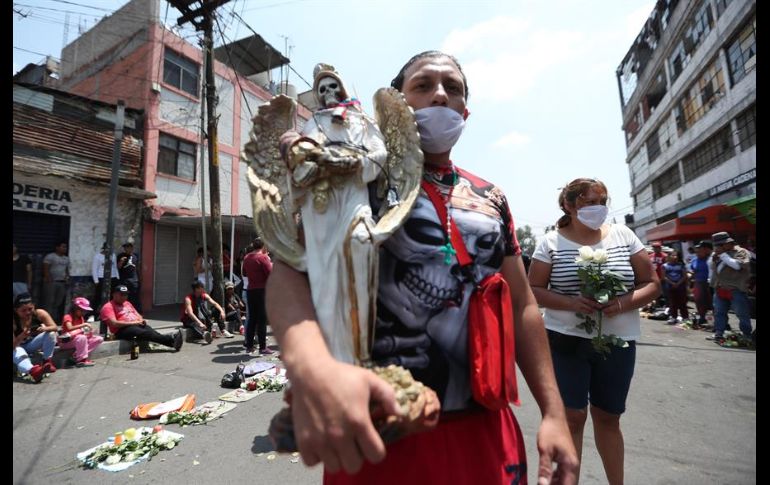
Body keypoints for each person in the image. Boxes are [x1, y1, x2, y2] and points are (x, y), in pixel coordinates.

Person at [266, 51, 578, 484]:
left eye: (453, 88)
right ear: (397, 103)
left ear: (465, 111)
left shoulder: (493, 198)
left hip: (487, 429)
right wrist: (312, 366)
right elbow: (289, 275)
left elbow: (524, 304)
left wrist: (554, 413)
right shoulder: (357, 180)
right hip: (381, 433)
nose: (440, 95)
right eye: (423, 85)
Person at [528, 177, 661, 484]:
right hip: (565, 341)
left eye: (602, 202)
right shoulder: (550, 242)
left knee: (609, 417)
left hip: (617, 343)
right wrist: (571, 302)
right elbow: (533, 289)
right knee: (572, 418)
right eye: (589, 202)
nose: (597, 209)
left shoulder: (624, 236)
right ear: (569, 206)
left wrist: (624, 302)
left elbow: (652, 284)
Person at [99, 285, 183, 351]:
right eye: (121, 295)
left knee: (151, 331)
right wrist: (134, 323)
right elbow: (114, 323)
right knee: (145, 333)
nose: (124, 297)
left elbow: (137, 314)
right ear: (114, 294)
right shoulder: (108, 307)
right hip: (122, 330)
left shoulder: (127, 303)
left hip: (136, 325)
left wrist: (140, 320)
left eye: (126, 295)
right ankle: (172, 340)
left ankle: (172, 342)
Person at [706, 232, 753, 344]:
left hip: (736, 289)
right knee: (719, 313)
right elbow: (712, 268)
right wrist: (714, 258)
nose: (717, 248)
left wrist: (723, 255)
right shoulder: (718, 254)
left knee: (742, 314)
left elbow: (737, 266)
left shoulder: (741, 252)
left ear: (726, 243)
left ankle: (747, 335)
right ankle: (719, 334)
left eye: (719, 245)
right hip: (720, 287)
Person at [13, 293, 58, 383]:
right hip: (17, 347)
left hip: (31, 344)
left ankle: (47, 361)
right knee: (18, 352)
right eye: (23, 310)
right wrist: (22, 336)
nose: (28, 312)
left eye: (30, 309)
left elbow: (55, 327)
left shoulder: (39, 313)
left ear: (34, 306)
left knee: (51, 334)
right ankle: (34, 371)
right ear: (16, 310)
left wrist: (45, 329)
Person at [242, 239, 273, 355]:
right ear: (263, 246)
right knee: (262, 320)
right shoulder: (263, 258)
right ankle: (263, 347)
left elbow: (244, 273)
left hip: (250, 290)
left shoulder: (247, 258)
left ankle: (249, 346)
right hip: (262, 290)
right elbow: (270, 274)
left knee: (252, 320)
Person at [58, 297, 103, 367]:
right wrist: (84, 324)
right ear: (75, 308)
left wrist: (90, 333)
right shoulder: (68, 316)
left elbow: (81, 331)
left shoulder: (81, 318)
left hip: (76, 339)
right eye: (82, 310)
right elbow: (70, 328)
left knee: (99, 339)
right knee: (82, 337)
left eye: (85, 311)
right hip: (65, 341)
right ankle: (81, 360)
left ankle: (76, 356)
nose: (84, 313)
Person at [42, 241, 70, 323]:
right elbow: (45, 268)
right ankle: (46, 320)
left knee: (58, 302)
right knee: (49, 302)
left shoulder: (66, 258)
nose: (65, 248)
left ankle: (54, 319)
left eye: (65, 247)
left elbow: (67, 270)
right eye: (63, 246)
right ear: (57, 247)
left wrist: (67, 278)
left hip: (62, 282)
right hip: (51, 282)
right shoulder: (50, 256)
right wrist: (48, 278)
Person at [689, 241, 713, 328]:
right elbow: (692, 271)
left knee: (711, 302)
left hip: (710, 283)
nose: (698, 253)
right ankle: (702, 317)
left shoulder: (710, 259)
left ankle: (714, 320)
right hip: (698, 283)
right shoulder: (694, 260)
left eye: (700, 251)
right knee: (699, 300)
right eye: (697, 252)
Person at [662, 251, 690, 325]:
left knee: (682, 303)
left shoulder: (681, 265)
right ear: (669, 257)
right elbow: (664, 276)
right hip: (670, 287)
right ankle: (673, 317)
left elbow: (684, 276)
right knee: (672, 303)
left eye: (676, 255)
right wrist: (672, 283)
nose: (675, 257)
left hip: (681, 287)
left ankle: (685, 317)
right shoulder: (665, 266)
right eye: (673, 255)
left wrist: (678, 283)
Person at [92, 243, 120, 313]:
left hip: (113, 277)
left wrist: (117, 277)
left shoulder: (113, 255)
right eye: (107, 249)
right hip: (101, 278)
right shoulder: (97, 256)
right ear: (103, 248)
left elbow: (115, 267)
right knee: (98, 296)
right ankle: (93, 313)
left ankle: (111, 312)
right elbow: (94, 269)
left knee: (112, 296)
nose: (108, 251)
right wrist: (96, 280)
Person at [117, 242, 141, 312]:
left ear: (131, 248)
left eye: (128, 247)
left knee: (135, 296)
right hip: (124, 280)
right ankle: (124, 311)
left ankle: (135, 311)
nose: (126, 249)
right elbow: (118, 267)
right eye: (125, 248)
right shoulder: (120, 256)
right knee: (124, 296)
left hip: (134, 280)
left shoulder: (135, 256)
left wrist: (139, 278)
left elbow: (137, 267)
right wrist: (121, 261)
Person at [648, 241, 667, 309]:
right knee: (655, 292)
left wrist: (663, 277)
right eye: (654, 247)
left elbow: (667, 267)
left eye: (657, 247)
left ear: (660, 248)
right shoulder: (650, 256)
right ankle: (657, 304)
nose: (656, 249)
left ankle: (667, 305)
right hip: (654, 277)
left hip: (663, 277)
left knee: (665, 292)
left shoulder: (664, 256)